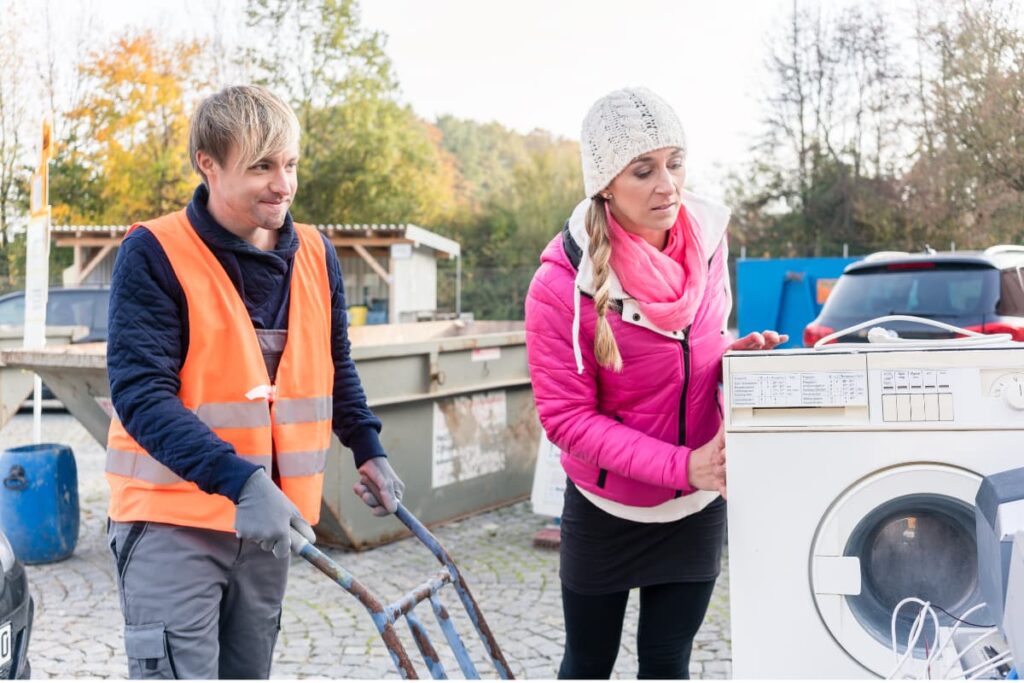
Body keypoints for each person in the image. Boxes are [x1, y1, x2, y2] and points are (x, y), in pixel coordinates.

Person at [104, 85, 405, 679]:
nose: (283, 184)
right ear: (208, 166)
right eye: (261, 166)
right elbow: (140, 395)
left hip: (267, 528)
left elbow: (335, 365)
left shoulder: (317, 254)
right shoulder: (155, 252)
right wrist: (239, 482)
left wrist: (367, 446)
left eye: (290, 164)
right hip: (173, 523)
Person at [525, 86, 785, 679]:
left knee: (668, 662)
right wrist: (682, 465)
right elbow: (566, 421)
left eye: (675, 162)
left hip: (695, 507)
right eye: (644, 170)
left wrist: (730, 357)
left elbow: (694, 350)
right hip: (606, 508)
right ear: (605, 185)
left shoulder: (708, 243)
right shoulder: (560, 286)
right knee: (587, 664)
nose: (667, 184)